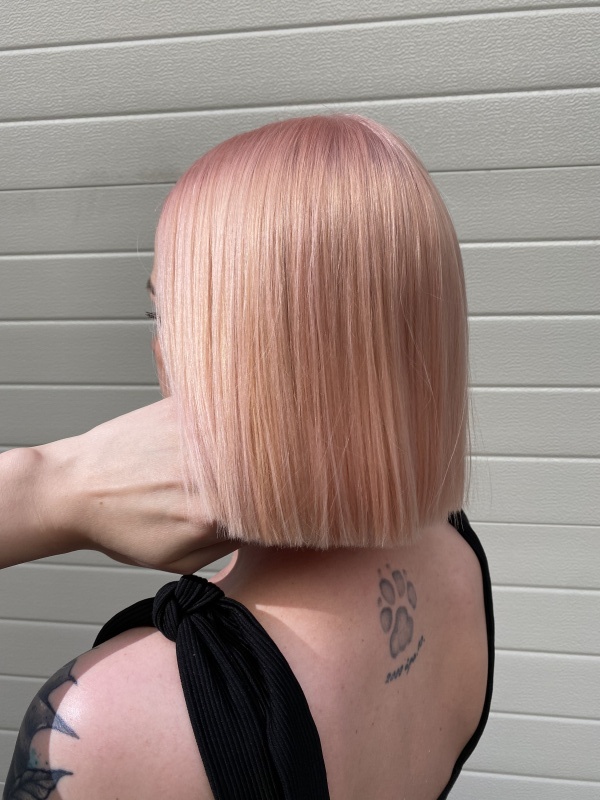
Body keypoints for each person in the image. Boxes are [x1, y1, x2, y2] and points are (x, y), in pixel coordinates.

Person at [2, 114, 494, 800]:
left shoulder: (99, 725)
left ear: (240, 351)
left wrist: (44, 492)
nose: (158, 347)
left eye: (164, 316)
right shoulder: (456, 555)